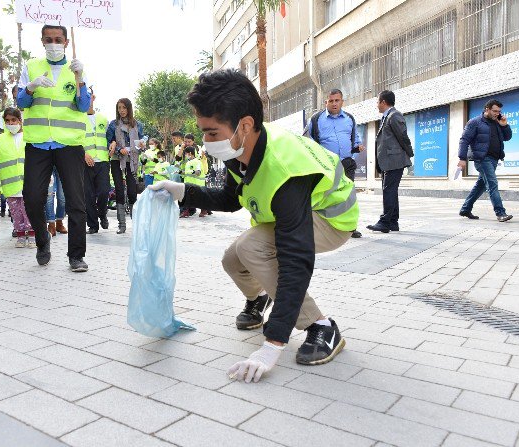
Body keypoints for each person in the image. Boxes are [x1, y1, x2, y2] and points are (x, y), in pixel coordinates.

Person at [150, 69, 358, 383]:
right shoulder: (239, 148)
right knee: (232, 259)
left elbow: (296, 259)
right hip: (295, 216)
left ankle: (322, 327)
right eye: (202, 132)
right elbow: (232, 199)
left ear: (244, 125)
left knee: (252, 247)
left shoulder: (286, 170)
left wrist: (273, 342)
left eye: (212, 133)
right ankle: (260, 297)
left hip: (330, 219)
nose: (206, 143)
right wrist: (182, 192)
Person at [17, 24, 89, 272]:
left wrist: (80, 80)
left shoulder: (77, 69)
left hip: (69, 143)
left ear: (66, 42)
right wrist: (31, 87)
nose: (53, 43)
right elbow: (20, 101)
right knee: (33, 197)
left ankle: (76, 256)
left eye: (58, 39)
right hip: (38, 143)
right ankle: (42, 241)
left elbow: (83, 106)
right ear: (42, 41)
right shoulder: (31, 67)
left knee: (76, 201)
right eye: (48, 39)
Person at [305, 88, 364, 238]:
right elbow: (307, 139)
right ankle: (326, 226)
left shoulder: (349, 118)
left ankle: (351, 227)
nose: (334, 103)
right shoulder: (316, 119)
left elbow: (354, 137)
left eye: (337, 100)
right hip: (327, 165)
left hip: (346, 162)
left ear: (342, 102)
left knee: (349, 195)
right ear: (326, 102)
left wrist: (358, 145)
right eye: (331, 101)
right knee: (327, 195)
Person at [458, 99, 513, 222]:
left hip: (494, 159)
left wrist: (505, 125)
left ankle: (465, 209)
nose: (497, 113)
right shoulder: (475, 122)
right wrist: (462, 158)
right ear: (487, 109)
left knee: (481, 185)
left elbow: (507, 137)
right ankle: (500, 213)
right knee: (492, 184)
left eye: (499, 111)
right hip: (482, 159)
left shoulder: (498, 122)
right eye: (494, 111)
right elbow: (464, 140)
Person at [366, 90, 413, 234]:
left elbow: (403, 136)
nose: (376, 105)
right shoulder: (387, 117)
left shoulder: (394, 115)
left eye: (377, 102)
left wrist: (409, 153)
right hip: (388, 161)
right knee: (390, 191)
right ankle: (393, 222)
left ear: (383, 102)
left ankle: (385, 222)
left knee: (389, 191)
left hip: (395, 160)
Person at [0, 107, 35, 248]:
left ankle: (32, 235)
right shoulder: (1, 139)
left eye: (13, 120)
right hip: (10, 185)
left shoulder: (30, 136)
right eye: (7, 121)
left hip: (29, 182)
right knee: (16, 212)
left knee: (29, 210)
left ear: (20, 120)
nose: (11, 123)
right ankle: (20, 236)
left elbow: (39, 158)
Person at [106, 98, 144, 234]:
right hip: (117, 160)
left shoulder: (138, 125)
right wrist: (117, 149)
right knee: (119, 190)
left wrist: (141, 146)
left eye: (124, 107)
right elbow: (109, 143)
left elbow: (141, 143)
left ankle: (136, 223)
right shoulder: (113, 125)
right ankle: (121, 225)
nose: (121, 110)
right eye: (119, 108)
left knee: (133, 192)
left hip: (132, 161)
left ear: (129, 108)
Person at [85, 93, 111, 234]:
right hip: (85, 163)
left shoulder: (103, 119)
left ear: (93, 98)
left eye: (88, 97)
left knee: (103, 192)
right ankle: (93, 225)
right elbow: (73, 141)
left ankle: (102, 213)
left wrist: (112, 143)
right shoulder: (78, 119)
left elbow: (110, 137)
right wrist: (83, 154)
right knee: (88, 196)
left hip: (102, 161)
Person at [180, 146, 208, 218]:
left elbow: (198, 172)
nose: (185, 155)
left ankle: (204, 210)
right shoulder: (188, 162)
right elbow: (187, 172)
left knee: (199, 198)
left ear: (190, 153)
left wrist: (188, 171)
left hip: (197, 184)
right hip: (189, 183)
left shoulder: (197, 162)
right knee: (188, 198)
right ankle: (186, 212)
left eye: (186, 154)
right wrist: (181, 172)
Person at [45, 167, 67, 236]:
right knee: (49, 196)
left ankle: (59, 222)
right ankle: (51, 224)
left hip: (62, 163)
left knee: (62, 197)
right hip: (48, 163)